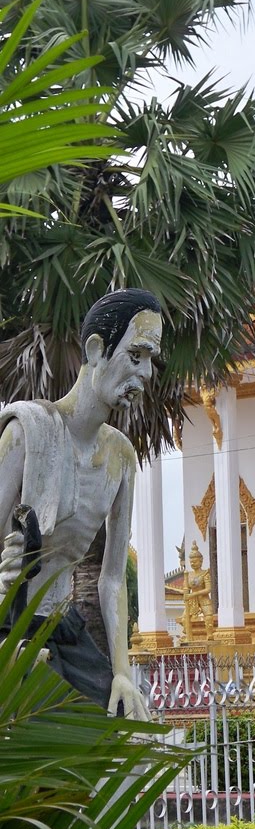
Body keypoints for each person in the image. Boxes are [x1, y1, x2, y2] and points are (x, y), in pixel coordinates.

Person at [0, 289, 163, 720]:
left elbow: (111, 581)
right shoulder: (27, 434)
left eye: (150, 360)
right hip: (9, 626)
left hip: (64, 629)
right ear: (96, 349)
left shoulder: (121, 457)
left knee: (121, 732)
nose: (146, 372)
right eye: (136, 354)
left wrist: (123, 672)